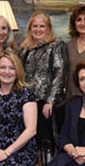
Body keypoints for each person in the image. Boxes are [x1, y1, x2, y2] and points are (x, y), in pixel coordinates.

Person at [19, 11, 67, 144]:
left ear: (48, 29)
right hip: (28, 102)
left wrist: (50, 101)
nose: (38, 29)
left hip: (46, 103)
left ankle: (47, 164)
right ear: (30, 29)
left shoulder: (56, 45)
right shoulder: (24, 49)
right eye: (35, 26)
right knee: (29, 140)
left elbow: (60, 73)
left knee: (45, 140)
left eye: (42, 26)